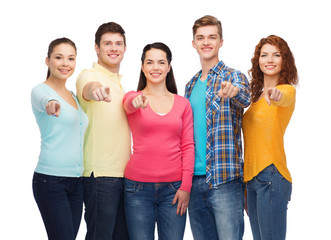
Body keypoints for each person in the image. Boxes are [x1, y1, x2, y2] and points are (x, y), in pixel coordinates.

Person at [184, 15, 251, 240]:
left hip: (225, 179)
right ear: (193, 43)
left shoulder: (233, 76)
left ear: (221, 42)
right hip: (193, 180)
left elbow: (244, 97)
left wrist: (233, 91)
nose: (206, 42)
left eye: (212, 37)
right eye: (201, 38)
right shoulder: (190, 85)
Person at [122, 42, 195, 240]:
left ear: (169, 67)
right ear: (142, 66)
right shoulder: (133, 97)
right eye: (150, 62)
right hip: (137, 188)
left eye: (161, 62)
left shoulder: (183, 104)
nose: (155, 68)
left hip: (174, 189)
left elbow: (188, 146)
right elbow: (128, 104)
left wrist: (186, 186)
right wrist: (136, 101)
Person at [76, 22, 130, 240]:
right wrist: (96, 91)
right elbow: (89, 88)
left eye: (118, 43)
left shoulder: (120, 84)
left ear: (125, 48)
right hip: (100, 175)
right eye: (107, 43)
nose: (114, 48)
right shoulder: (88, 75)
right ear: (97, 48)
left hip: (124, 176)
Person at [31, 37, 88, 240]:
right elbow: (46, 101)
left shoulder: (73, 96)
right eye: (59, 57)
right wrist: (51, 104)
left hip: (76, 182)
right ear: (48, 61)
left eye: (71, 58)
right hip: (50, 181)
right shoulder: (41, 91)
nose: (65, 63)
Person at [242, 35, 298, 240]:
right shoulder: (254, 98)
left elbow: (283, 98)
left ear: (285, 60)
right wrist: (247, 187)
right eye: (264, 55)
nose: (270, 60)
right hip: (251, 180)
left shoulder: (286, 90)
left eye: (277, 55)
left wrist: (275, 95)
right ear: (258, 61)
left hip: (272, 176)